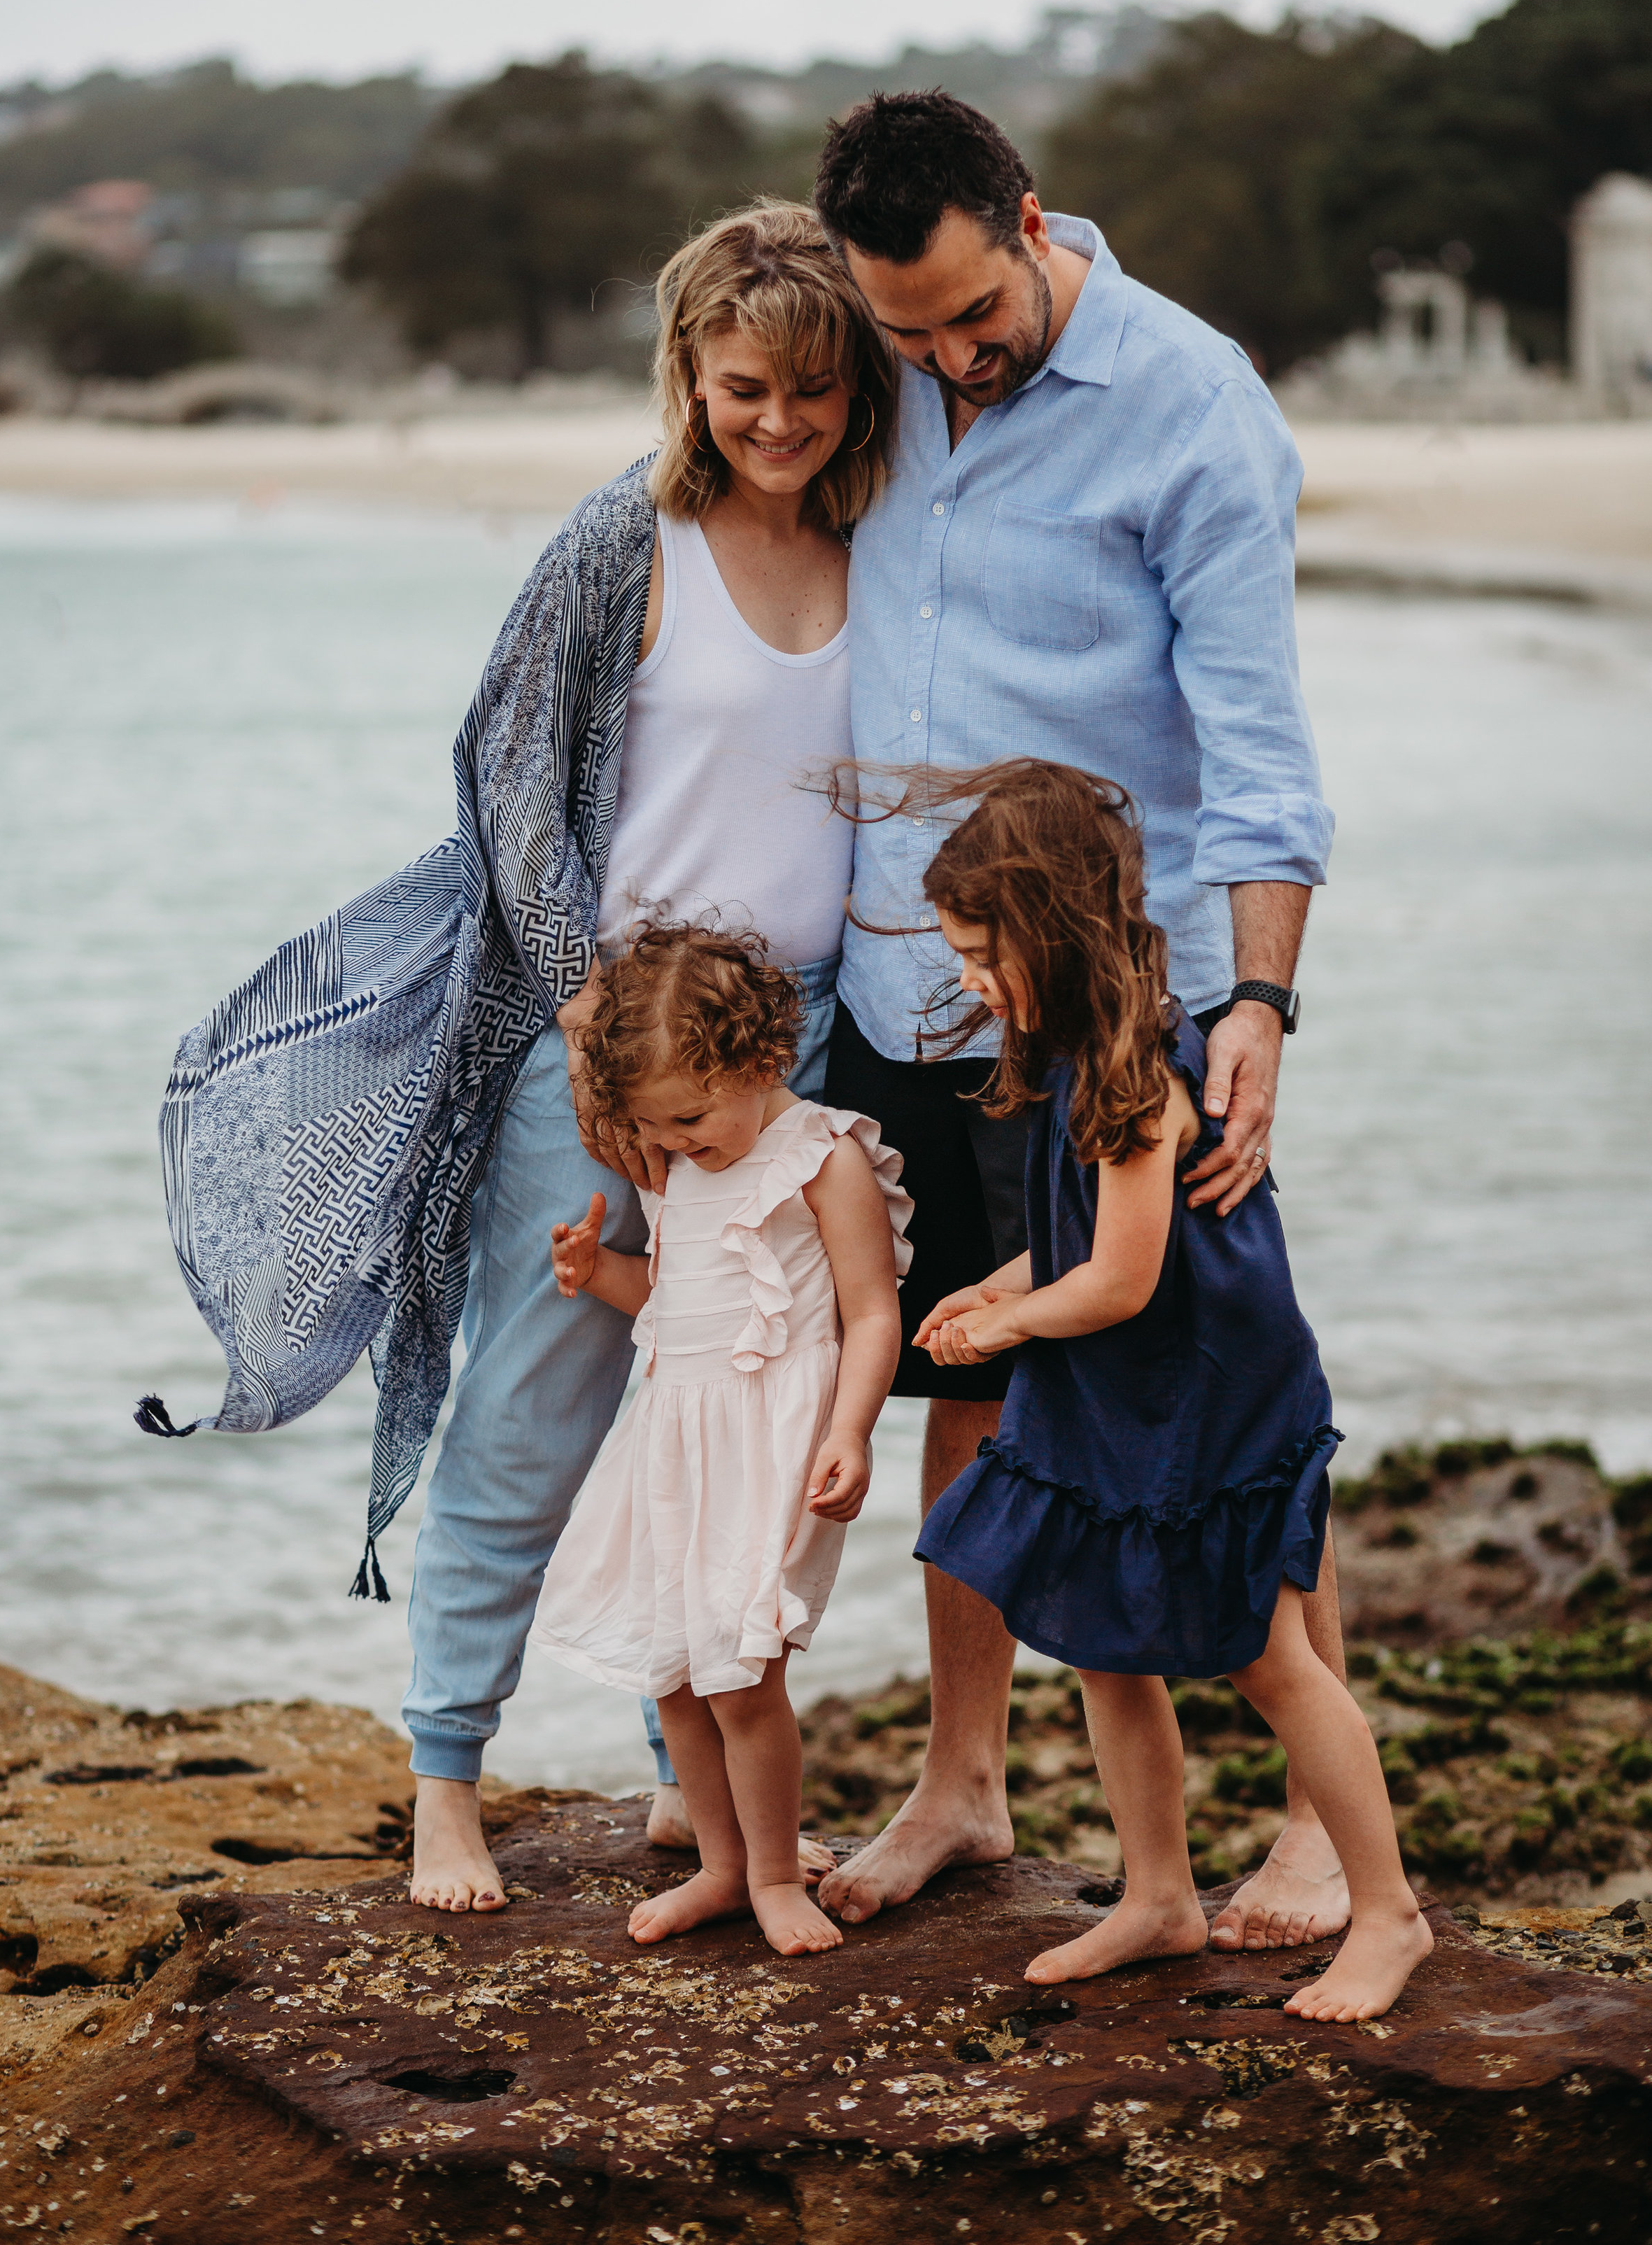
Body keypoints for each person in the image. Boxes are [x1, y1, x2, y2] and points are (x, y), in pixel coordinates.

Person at [146, 204, 896, 1917]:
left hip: (799, 1055)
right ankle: (445, 1782)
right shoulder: (617, 544)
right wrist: (577, 998)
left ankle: (679, 1779)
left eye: (811, 389)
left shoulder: (888, 545)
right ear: (687, 380)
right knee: (534, 1407)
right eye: (741, 389)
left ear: (853, 388)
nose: (777, 421)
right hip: (613, 1048)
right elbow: (502, 779)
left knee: (732, 1405)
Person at [810, 92, 1346, 1950]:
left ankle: (1314, 1830)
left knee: (1225, 1383)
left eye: (973, 317)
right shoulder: (871, 368)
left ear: (1028, 222)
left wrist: (1260, 998)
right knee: (970, 1381)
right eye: (909, 335)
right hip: (912, 972)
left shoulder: (1192, 405)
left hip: (1137, 994)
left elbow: (1262, 750)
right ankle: (961, 1785)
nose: (949, 359)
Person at [908, 762, 1429, 2022]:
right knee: (1098, 1639)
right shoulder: (1082, 1057)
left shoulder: (1136, 1073)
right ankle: (1158, 1896)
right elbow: (1085, 1239)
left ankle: (1390, 1912)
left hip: (1202, 1392)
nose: (970, 979)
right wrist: (996, 1286)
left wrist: (1009, 1328)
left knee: (1273, 1658)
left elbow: (1125, 1281)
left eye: (983, 953)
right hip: (1120, 1389)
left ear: (1048, 929)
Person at [531, 922, 909, 1957]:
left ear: (761, 1061)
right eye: (663, 1127)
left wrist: (853, 1431)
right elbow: (672, 1300)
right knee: (678, 1669)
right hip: (674, 1442)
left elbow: (873, 1312)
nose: (683, 1144)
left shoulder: (822, 1159)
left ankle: (779, 1871)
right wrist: (592, 1274)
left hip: (772, 1442)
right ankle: (723, 1866)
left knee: (742, 1674)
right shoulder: (685, 1165)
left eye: (693, 1118)